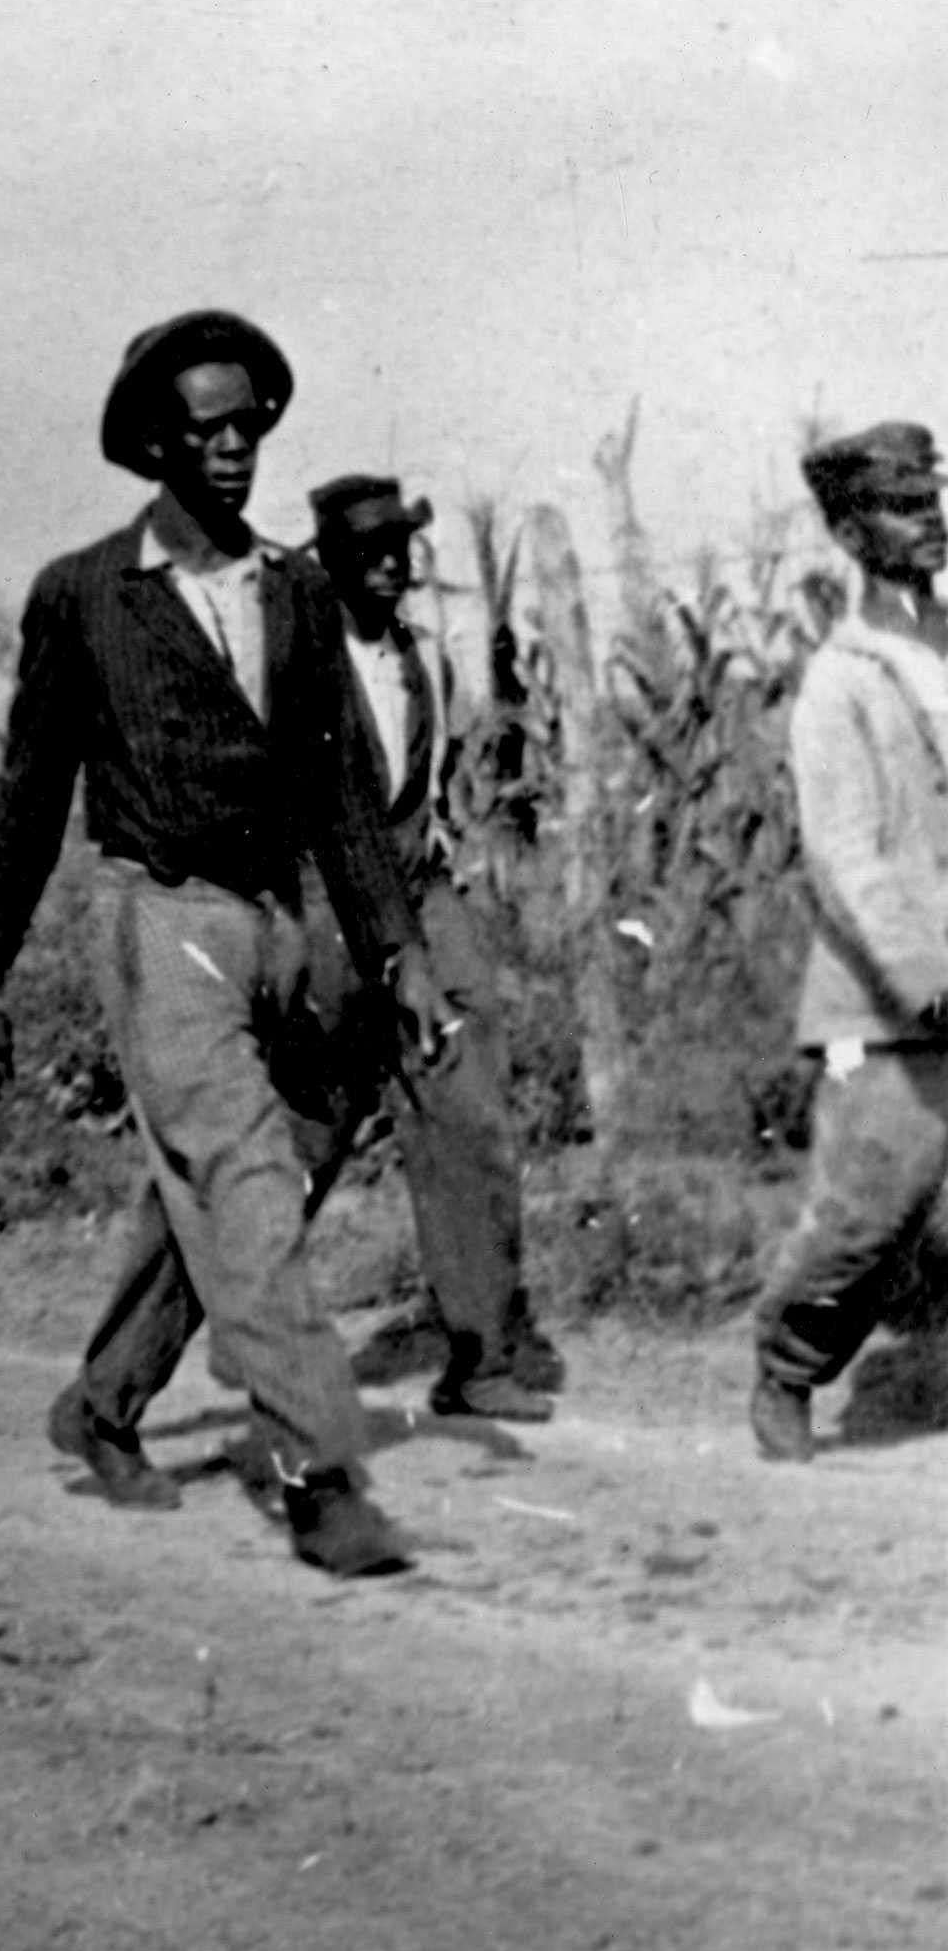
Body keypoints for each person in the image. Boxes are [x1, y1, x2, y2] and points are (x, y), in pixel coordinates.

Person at [0, 310, 446, 1578]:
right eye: (206, 429)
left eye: (248, 425)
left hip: (274, 919)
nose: (234, 450)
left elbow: (340, 795)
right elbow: (29, 790)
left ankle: (103, 1401)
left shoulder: (292, 586)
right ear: (156, 443)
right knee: (245, 1185)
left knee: (225, 1189)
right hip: (158, 918)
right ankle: (314, 1470)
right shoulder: (86, 595)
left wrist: (398, 951)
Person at [296, 472, 563, 1422]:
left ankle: (482, 1352)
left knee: (468, 1100)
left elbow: (430, 784)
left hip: (417, 890)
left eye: (401, 544)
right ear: (328, 558)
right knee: (300, 1133)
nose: (390, 563)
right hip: (325, 904)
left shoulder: (420, 658)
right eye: (367, 547)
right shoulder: (298, 661)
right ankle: (158, 1356)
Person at [749, 421, 948, 1461]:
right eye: (901, 505)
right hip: (893, 998)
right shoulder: (843, 681)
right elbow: (849, 860)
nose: (928, 520)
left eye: (932, 496)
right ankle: (787, 1365)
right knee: (873, 1213)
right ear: (847, 529)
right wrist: (928, 980)